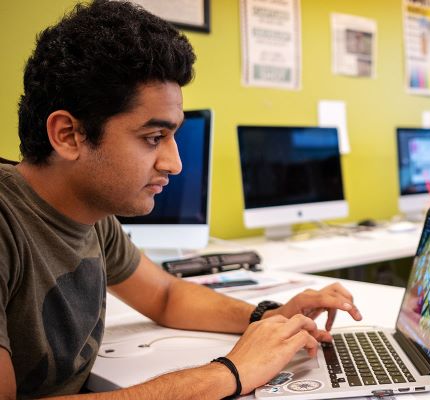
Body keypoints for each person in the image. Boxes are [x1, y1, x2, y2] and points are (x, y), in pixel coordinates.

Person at [0, 1, 362, 398]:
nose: (174, 163)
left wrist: (269, 315)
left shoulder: (92, 215)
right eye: (153, 138)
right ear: (68, 135)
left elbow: (166, 295)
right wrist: (229, 372)